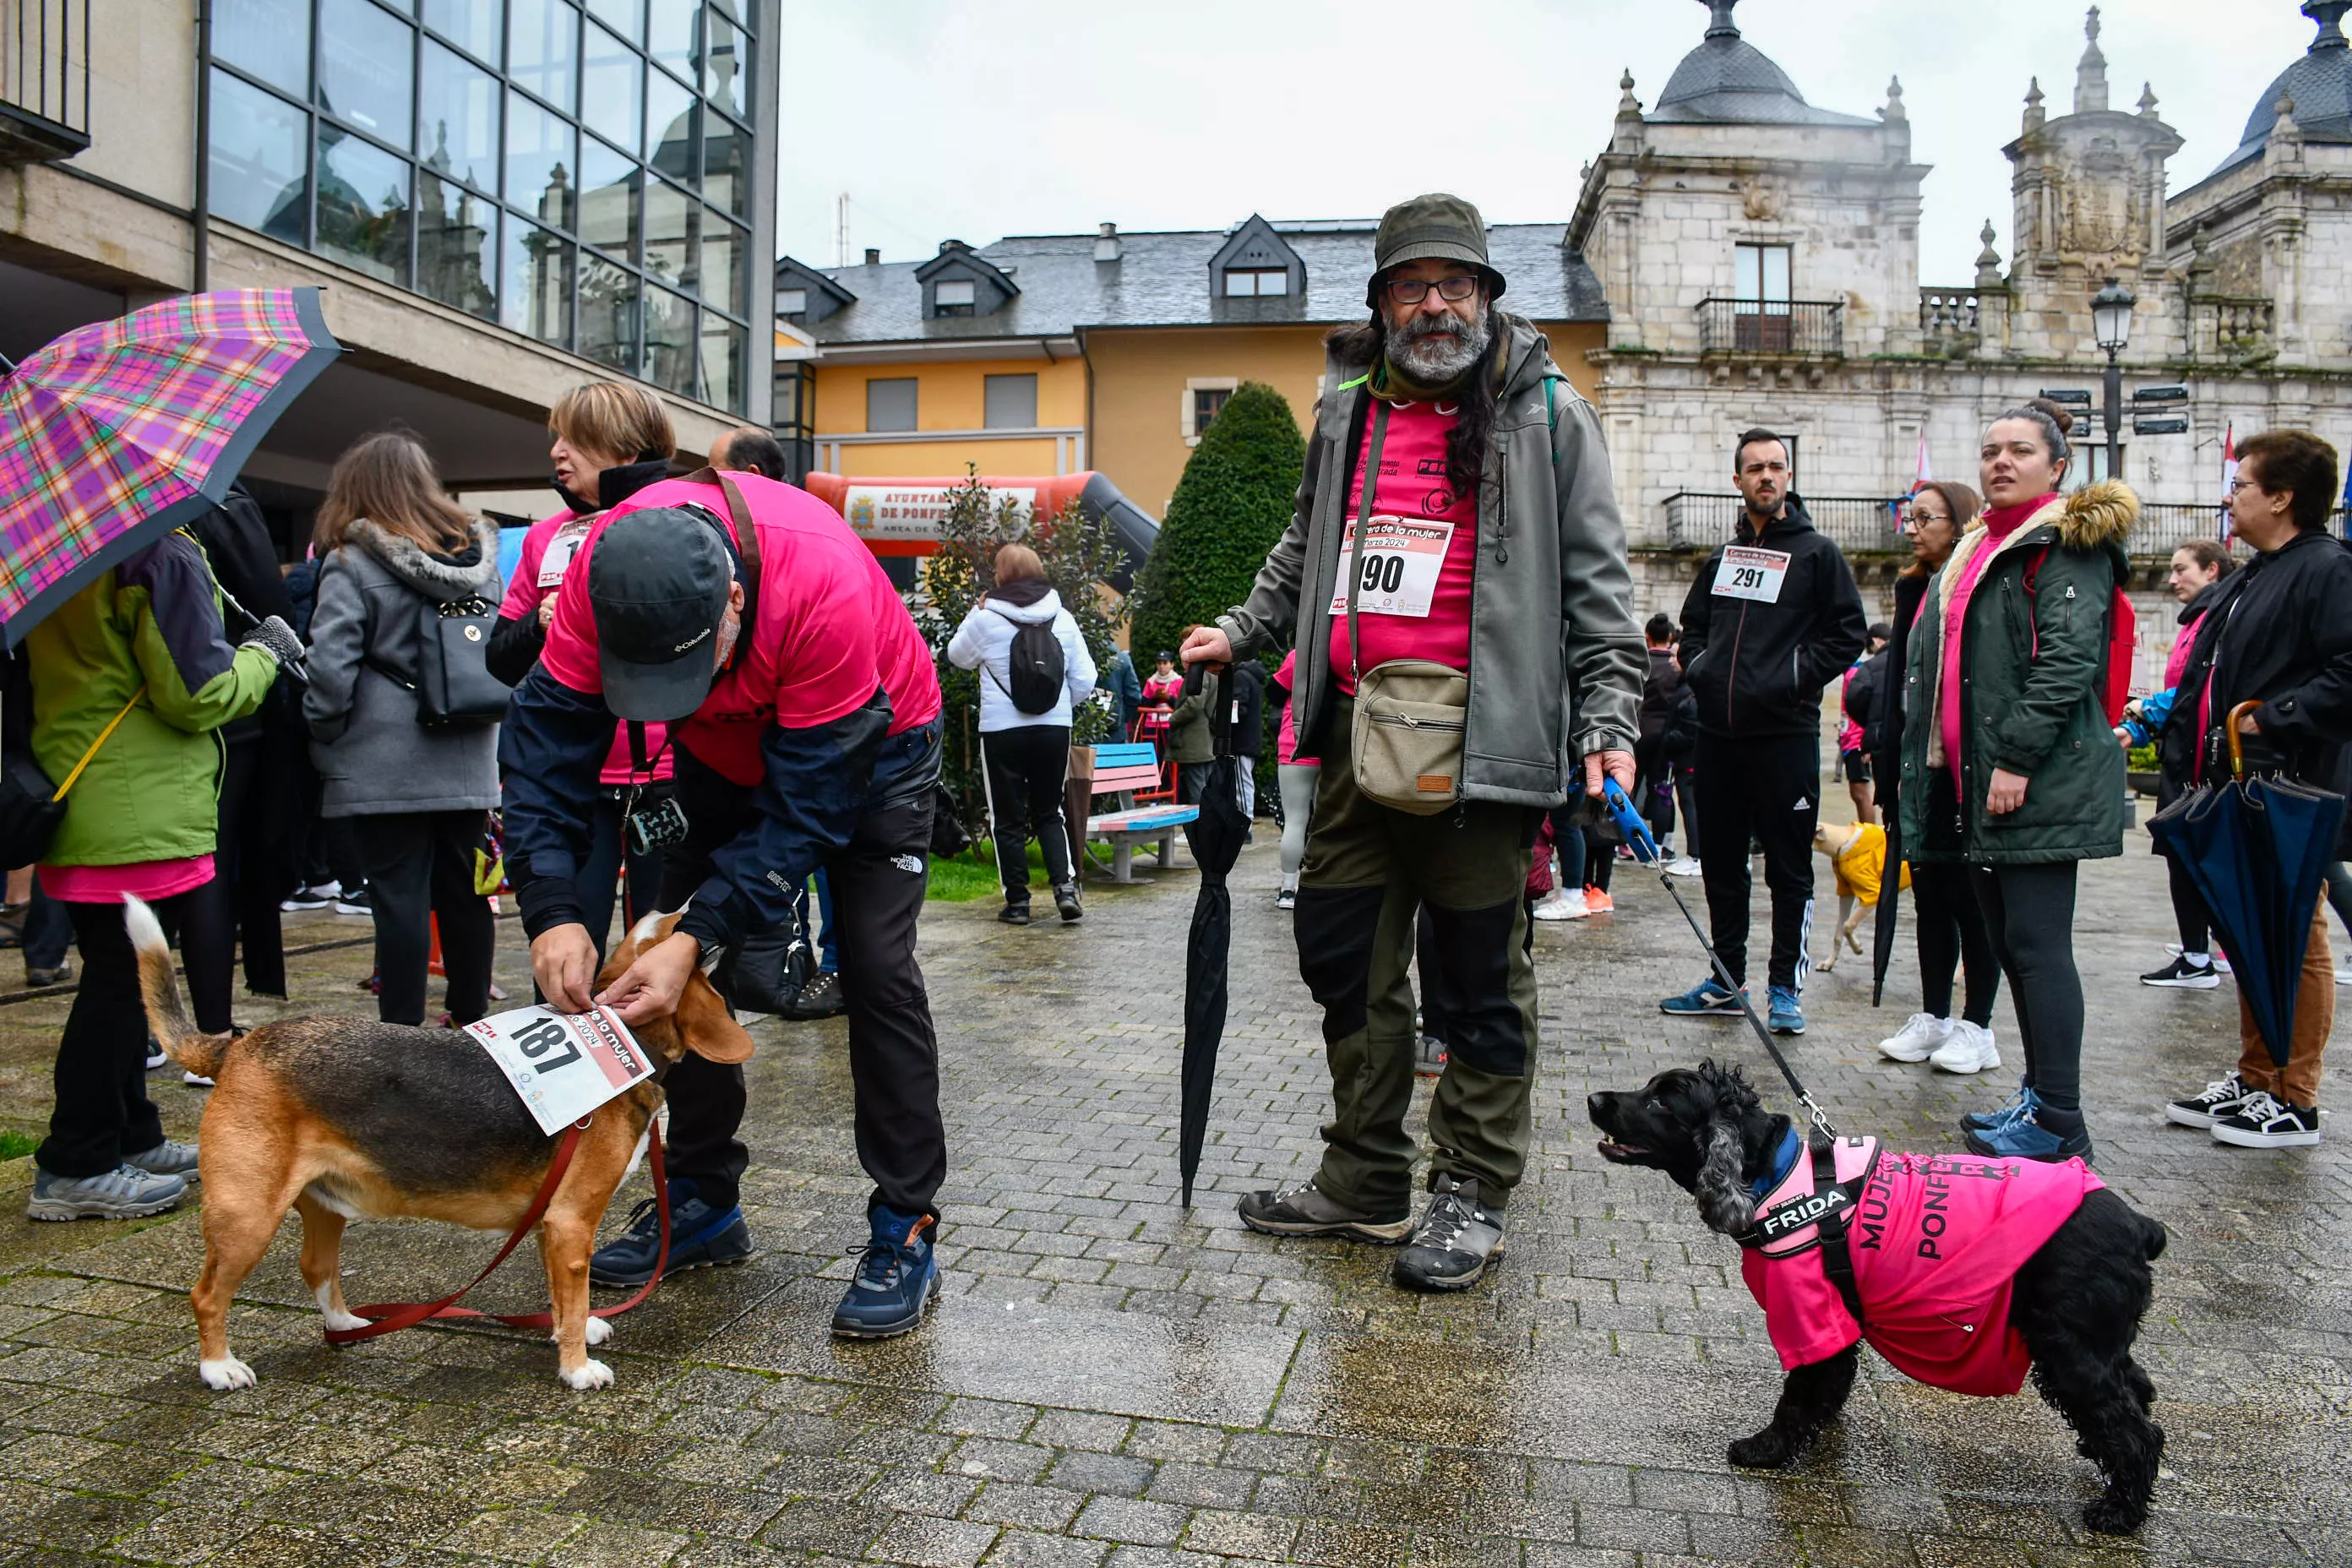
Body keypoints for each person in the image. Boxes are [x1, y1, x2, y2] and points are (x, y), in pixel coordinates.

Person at [1182, 192, 1645, 1292]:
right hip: (1352, 739)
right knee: (1343, 955)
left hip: (1486, 745)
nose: (1434, 302)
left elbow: (1598, 582)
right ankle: (1367, 1176)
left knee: (1477, 980)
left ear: (1487, 295)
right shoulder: (1351, 410)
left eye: (1455, 283)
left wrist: (1609, 720)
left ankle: (1472, 1192)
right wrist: (1243, 629)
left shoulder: (1545, 413)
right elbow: (1308, 543)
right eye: (1411, 284)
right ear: (1382, 302)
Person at [500, 467, 948, 1337]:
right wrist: (552, 905)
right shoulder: (602, 573)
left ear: (734, 600)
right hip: (720, 755)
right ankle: (702, 1200)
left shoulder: (822, 582)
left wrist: (705, 927)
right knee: (673, 969)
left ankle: (906, 1221)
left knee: (878, 966)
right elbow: (545, 749)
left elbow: (811, 810)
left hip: (875, 747)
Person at [20, 527, 292, 1219]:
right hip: (140, 804)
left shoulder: (64, 546)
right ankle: (75, 1161)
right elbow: (198, 694)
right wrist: (264, 653)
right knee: (118, 987)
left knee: (124, 979)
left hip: (87, 786)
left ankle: (129, 1134)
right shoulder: (158, 552)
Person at [1901, 400, 2133, 1162]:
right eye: (1992, 449)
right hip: (1977, 786)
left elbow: (2067, 664)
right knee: (2005, 941)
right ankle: (2039, 1101)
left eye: (2021, 451)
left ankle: (2062, 1118)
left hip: (2031, 782)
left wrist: (2016, 760)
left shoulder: (2065, 546)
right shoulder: (1981, 547)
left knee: (2036, 946)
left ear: (2057, 467)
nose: (2001, 461)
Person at [2159, 431, 2352, 1148]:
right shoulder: (2256, 572)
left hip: (2293, 782)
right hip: (2239, 781)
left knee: (2297, 932)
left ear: (2282, 496)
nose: (2228, 494)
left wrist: (2273, 718)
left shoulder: (2328, 568)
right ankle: (2256, 1076)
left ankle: (2294, 1097)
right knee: (2249, 930)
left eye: (2241, 483)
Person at [1663, 430, 1868, 1036]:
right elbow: (1692, 628)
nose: (1767, 476)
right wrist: (1699, 669)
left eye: (1777, 466)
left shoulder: (1817, 554)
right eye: (1755, 468)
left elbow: (1846, 633)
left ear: (1788, 476)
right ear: (1739, 480)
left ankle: (1785, 988)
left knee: (1788, 869)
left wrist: (1792, 677)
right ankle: (1727, 983)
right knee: (1723, 864)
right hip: (1719, 738)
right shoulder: (1723, 560)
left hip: (1786, 736)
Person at [305, 431, 504, 1030]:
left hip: (383, 758)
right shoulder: (479, 561)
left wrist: (326, 729)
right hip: (469, 753)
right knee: (468, 894)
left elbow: (331, 667)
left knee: (399, 897)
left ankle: (401, 1033)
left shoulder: (350, 561)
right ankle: (470, 1019)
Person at [486, 384, 678, 965]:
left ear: (623, 450)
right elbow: (499, 658)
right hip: (579, 780)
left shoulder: (675, 523)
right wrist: (544, 624)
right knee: (571, 946)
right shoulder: (546, 538)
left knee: (668, 952)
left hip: (668, 774)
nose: (557, 452)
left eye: (576, 439)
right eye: (557, 438)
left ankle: (678, 1059)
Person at [1869, 482, 2003, 1074]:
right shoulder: (1916, 588)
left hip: (1960, 763)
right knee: (1928, 896)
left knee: (1971, 898)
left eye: (1927, 517)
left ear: (1961, 521)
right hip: (1913, 763)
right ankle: (1935, 1015)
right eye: (1911, 517)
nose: (1914, 527)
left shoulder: (1974, 585)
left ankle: (1980, 1025)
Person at [946, 542, 1097, 926]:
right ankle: (1064, 889)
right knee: (1050, 811)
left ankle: (1018, 903)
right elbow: (1086, 679)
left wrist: (975, 611)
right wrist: (1058, 705)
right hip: (1054, 728)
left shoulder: (986, 618)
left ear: (1000, 575)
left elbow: (957, 657)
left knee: (1007, 819)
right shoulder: (1062, 617)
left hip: (1002, 731)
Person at [2137, 537, 2238, 989]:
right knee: (2187, 855)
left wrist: (2145, 716)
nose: (2173, 579)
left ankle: (2201, 957)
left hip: (2198, 761)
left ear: (2212, 570)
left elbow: (2197, 689)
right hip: (2186, 752)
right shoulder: (2198, 620)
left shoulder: (2217, 620)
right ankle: (2204, 950)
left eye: (2182, 570)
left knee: (2187, 854)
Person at [1270, 651, 1317, 909]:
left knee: (1295, 821)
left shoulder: (1299, 655)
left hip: (1295, 742)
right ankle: (1322, 885)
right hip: (1334, 745)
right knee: (1327, 821)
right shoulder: (1348, 648)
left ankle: (1288, 888)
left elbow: (1274, 691)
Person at [1634, 613, 1684, 856]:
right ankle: (1662, 844)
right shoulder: (1677, 668)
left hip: (1641, 731)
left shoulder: (1641, 663)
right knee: (1662, 788)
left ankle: (1622, 841)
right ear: (1671, 637)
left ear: (1647, 637)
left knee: (1630, 786)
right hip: (1667, 734)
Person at [1838, 623, 1892, 827]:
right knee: (1858, 792)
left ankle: (1871, 835)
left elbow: (1866, 707)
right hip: (1851, 738)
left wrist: (1862, 740)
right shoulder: (1860, 669)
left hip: (1856, 739)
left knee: (1861, 792)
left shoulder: (1863, 670)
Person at [1230, 656, 1267, 822]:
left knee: (1242, 783)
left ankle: (1245, 825)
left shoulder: (1241, 676)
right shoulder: (1253, 675)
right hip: (1250, 738)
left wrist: (1225, 724)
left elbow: (1238, 708)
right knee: (1244, 781)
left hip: (1241, 740)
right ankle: (1245, 823)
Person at [1139, 651, 1182, 743]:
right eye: (1159, 663)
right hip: (1152, 725)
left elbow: (1183, 704)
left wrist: (1169, 698)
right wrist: (1156, 698)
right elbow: (1143, 704)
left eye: (1165, 663)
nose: (1162, 666)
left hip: (1171, 725)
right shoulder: (1150, 681)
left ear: (1172, 664)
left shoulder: (1179, 681)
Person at [1105, 648, 1142, 743]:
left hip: (1084, 726)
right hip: (1116, 727)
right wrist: (1122, 716)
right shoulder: (1123, 659)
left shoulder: (1083, 655)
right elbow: (1134, 696)